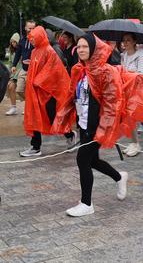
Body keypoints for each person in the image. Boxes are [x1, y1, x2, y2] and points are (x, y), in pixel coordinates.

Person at [53, 34, 128, 216]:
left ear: (94, 48)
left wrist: (104, 128)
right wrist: (63, 117)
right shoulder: (79, 69)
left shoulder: (105, 71)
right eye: (79, 47)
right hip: (84, 123)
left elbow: (112, 102)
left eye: (85, 46)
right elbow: (73, 96)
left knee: (82, 159)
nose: (81, 50)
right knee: (92, 160)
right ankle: (119, 177)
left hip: (98, 124)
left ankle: (87, 203)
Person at [19, 26, 74, 157]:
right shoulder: (35, 51)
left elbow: (54, 69)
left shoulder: (50, 51)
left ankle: (70, 134)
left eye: (33, 38)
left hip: (48, 92)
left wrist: (38, 80)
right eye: (31, 38)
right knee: (34, 116)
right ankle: (35, 146)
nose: (31, 40)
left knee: (52, 115)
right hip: (36, 91)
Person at [120, 32, 143, 157]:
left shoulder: (140, 55)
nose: (125, 42)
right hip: (125, 89)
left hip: (137, 90)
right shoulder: (124, 55)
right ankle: (133, 142)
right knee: (127, 118)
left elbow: (142, 74)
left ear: (134, 41)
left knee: (131, 118)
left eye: (128, 40)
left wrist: (127, 72)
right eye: (124, 40)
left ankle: (136, 143)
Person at [11, 20, 36, 103]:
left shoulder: (36, 40)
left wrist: (33, 61)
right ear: (25, 28)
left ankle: (31, 106)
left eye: (33, 28)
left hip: (33, 71)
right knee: (19, 90)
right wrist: (14, 65)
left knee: (30, 91)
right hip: (24, 69)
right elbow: (18, 54)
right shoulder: (22, 41)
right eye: (30, 28)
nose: (31, 30)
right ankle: (30, 104)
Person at [5, 33, 21, 116]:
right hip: (14, 73)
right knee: (10, 86)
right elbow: (10, 63)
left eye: (14, 42)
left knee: (22, 90)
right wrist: (9, 73)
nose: (13, 43)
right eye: (12, 42)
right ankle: (13, 107)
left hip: (21, 72)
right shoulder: (11, 51)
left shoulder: (21, 49)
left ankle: (28, 107)